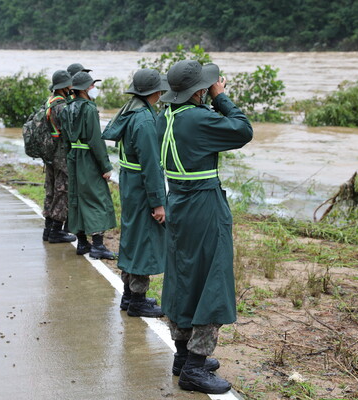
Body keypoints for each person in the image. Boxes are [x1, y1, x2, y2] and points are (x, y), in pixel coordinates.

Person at [156, 60, 253, 394]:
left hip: (178, 202)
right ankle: (195, 367)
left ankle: (183, 357)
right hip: (203, 205)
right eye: (207, 85)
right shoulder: (198, 118)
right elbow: (243, 130)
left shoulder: (164, 117)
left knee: (184, 278)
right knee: (212, 281)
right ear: (199, 90)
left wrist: (205, 98)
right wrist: (221, 97)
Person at [102, 69, 168, 318]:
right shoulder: (144, 120)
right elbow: (151, 166)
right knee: (144, 240)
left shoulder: (130, 110)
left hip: (130, 184)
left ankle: (129, 296)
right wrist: (158, 202)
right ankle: (137, 300)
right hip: (141, 187)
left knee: (132, 237)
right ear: (155, 92)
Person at [61, 71, 117, 259]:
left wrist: (71, 156)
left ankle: (82, 243)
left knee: (76, 197)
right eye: (92, 86)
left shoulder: (66, 108)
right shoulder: (89, 109)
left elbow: (65, 140)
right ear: (85, 89)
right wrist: (105, 167)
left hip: (74, 157)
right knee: (96, 197)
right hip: (88, 159)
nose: (94, 89)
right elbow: (96, 141)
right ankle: (98, 246)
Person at [42, 70, 77, 244]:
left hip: (49, 152)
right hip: (61, 154)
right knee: (62, 191)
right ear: (64, 87)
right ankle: (56, 230)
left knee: (51, 189)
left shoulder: (49, 102)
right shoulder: (61, 107)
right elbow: (70, 131)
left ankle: (48, 229)